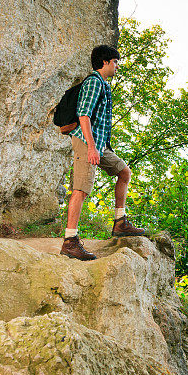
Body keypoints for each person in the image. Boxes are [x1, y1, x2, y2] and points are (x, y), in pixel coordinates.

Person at [61, 45, 147, 260]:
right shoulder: (93, 82)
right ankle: (70, 241)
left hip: (100, 144)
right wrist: (91, 147)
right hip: (86, 142)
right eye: (115, 62)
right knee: (80, 189)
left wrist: (100, 147)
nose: (118, 66)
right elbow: (83, 115)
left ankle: (120, 222)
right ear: (106, 62)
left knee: (124, 172)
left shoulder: (103, 85)